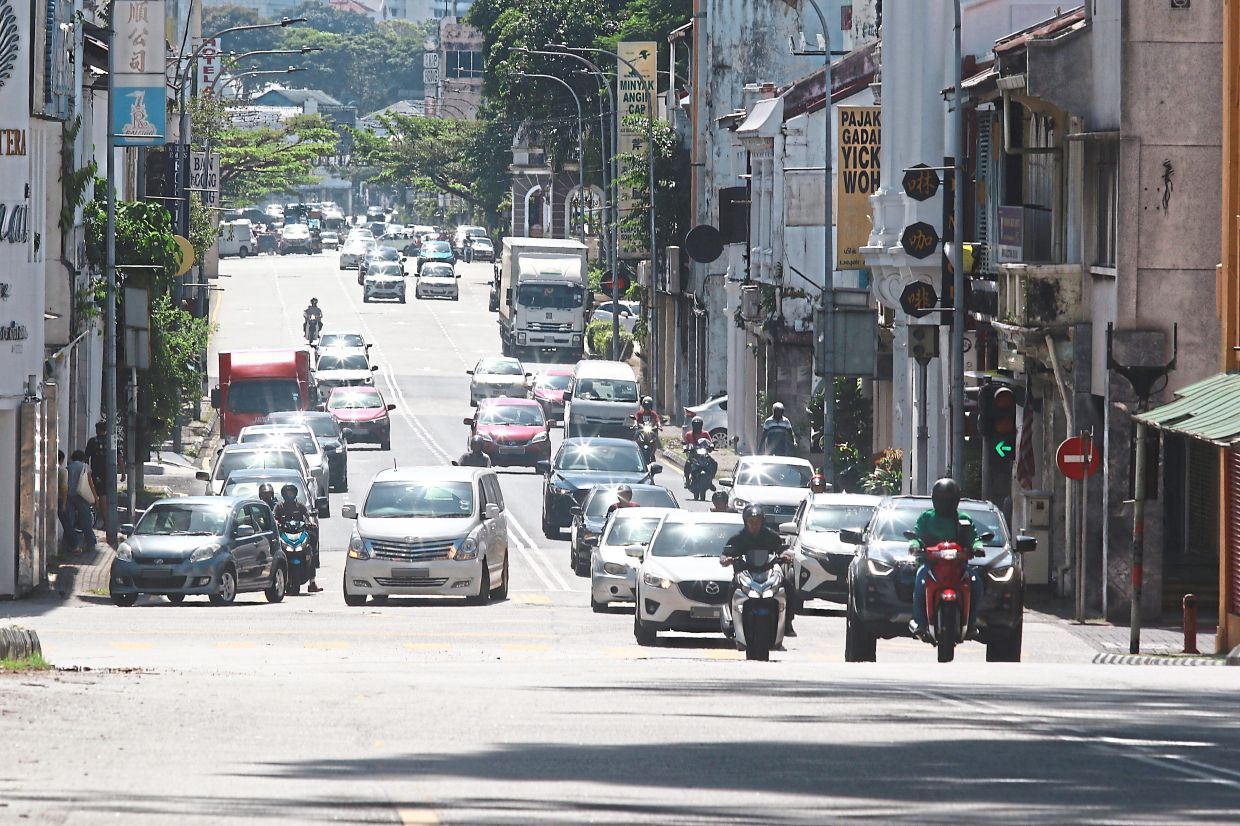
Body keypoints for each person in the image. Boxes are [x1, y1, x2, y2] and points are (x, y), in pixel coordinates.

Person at [909, 477, 984, 639]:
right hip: (931, 564)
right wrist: (915, 545)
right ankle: (920, 623)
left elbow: (974, 538)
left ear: (956, 501)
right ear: (934, 500)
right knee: (921, 583)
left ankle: (971, 623)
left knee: (976, 583)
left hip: (958, 567)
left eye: (949, 499)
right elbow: (917, 535)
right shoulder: (926, 518)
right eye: (941, 498)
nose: (945, 502)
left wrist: (978, 547)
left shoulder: (963, 519)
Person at [721, 504, 796, 636]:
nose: (754, 524)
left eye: (757, 521)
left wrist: (786, 555)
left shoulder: (771, 536)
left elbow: (782, 548)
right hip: (745, 574)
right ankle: (733, 620)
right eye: (751, 521)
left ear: (762, 522)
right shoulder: (737, 538)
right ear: (746, 522)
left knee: (787, 586)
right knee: (732, 587)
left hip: (767, 572)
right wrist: (726, 559)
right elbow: (726, 552)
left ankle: (788, 622)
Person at [273, 483, 321, 593]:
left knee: (310, 549)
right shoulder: (279, 507)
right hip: (285, 534)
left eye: (291, 493)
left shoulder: (300, 506)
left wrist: (310, 523)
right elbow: (274, 516)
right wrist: (276, 522)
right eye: (287, 493)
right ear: (283, 494)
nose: (289, 495)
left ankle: (312, 582)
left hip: (299, 533)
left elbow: (308, 516)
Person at [65, 450, 97, 553]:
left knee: (69, 520)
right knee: (86, 520)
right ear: (82, 457)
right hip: (82, 496)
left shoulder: (68, 467)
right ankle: (90, 542)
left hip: (69, 495)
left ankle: (71, 544)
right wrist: (95, 497)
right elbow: (90, 482)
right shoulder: (85, 467)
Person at [83, 422, 110, 528]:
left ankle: (104, 520)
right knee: (107, 496)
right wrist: (122, 472)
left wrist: (86, 471)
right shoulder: (111, 440)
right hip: (110, 473)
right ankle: (106, 520)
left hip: (97, 472)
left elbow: (86, 458)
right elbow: (119, 456)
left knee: (99, 495)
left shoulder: (93, 442)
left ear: (98, 429)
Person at [56, 450, 70, 552]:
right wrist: (64, 504)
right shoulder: (63, 471)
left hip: (48, 498)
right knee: (67, 523)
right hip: (60, 499)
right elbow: (64, 489)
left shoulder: (49, 469)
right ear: (61, 460)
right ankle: (75, 545)